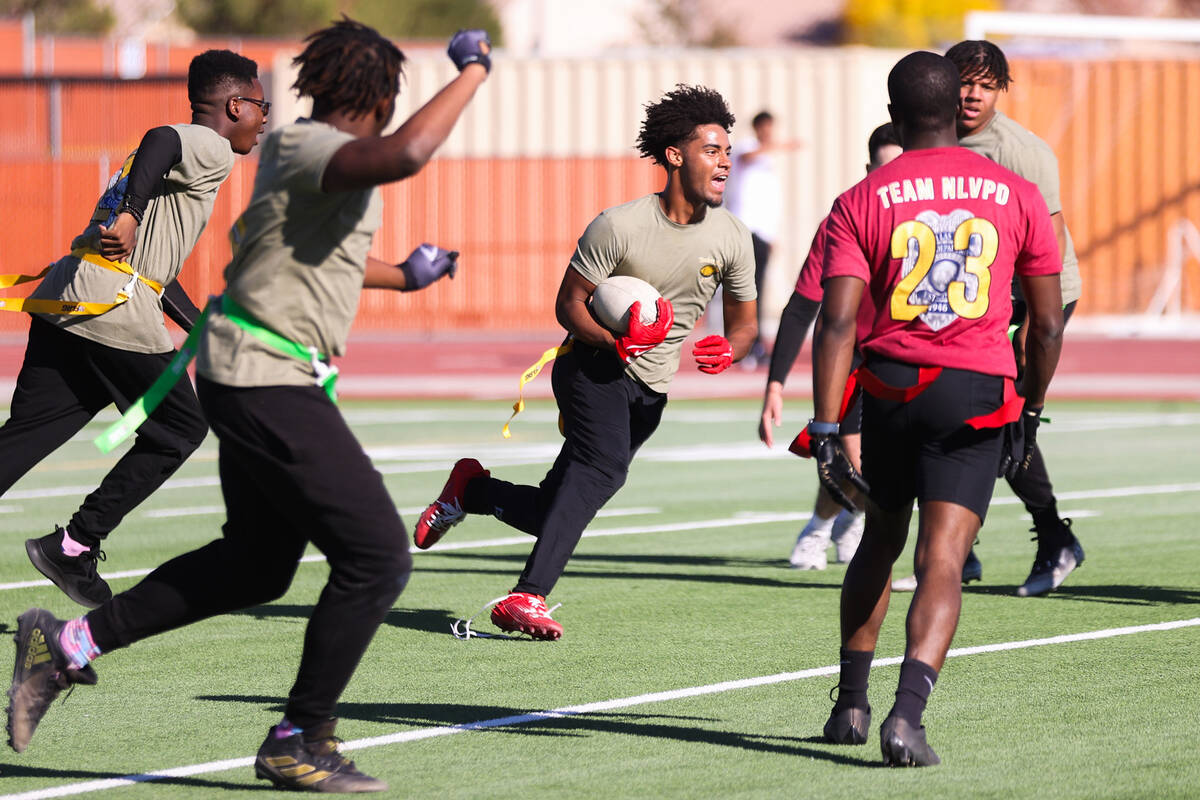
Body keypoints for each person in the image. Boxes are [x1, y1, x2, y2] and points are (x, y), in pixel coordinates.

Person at [7, 20, 490, 794]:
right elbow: (403, 153)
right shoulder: (306, 147)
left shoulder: (318, 168)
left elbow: (311, 254)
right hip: (263, 377)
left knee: (257, 567)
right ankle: (301, 735)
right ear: (377, 95)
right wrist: (471, 71)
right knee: (377, 558)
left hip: (248, 367)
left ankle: (65, 644)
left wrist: (407, 274)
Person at [413, 85, 758, 641]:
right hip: (591, 367)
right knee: (603, 471)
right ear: (675, 156)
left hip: (651, 391)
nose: (724, 162)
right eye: (711, 150)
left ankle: (471, 490)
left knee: (558, 504)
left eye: (727, 151)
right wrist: (611, 339)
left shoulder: (734, 238)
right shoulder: (618, 225)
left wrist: (732, 347)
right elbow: (568, 303)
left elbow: (744, 324)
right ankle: (526, 596)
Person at [812, 51, 1063, 766]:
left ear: (894, 115)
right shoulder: (1015, 191)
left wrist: (829, 427)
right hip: (975, 390)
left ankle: (851, 705)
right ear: (960, 107)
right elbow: (1045, 325)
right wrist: (1032, 408)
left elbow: (836, 323)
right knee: (943, 559)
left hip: (890, 387)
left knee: (880, 540)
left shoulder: (861, 197)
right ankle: (906, 717)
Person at [0, 50, 265, 609]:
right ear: (235, 105)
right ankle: (74, 544)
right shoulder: (208, 145)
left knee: (24, 436)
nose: (264, 120)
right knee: (179, 430)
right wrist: (130, 214)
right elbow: (161, 138)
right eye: (261, 106)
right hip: (111, 308)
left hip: (71, 298)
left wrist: (204, 326)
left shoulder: (172, 168)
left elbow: (153, 271)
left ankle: (72, 545)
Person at [894, 40, 1084, 596]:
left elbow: (1048, 243)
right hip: (968, 298)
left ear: (1001, 90)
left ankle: (1054, 538)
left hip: (1030, 297)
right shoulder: (930, 133)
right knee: (945, 412)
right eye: (964, 82)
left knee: (1002, 420)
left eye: (986, 84)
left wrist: (1030, 321)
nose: (973, 95)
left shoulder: (1021, 151)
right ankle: (961, 552)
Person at [759, 123, 901, 570]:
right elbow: (802, 306)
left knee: (902, 468)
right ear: (867, 168)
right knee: (858, 466)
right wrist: (776, 383)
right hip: (858, 358)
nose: (891, 181)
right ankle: (821, 526)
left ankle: (852, 521)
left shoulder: (936, 215)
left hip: (914, 355)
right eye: (882, 169)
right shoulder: (846, 218)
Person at [722, 110, 798, 365]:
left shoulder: (768, 161)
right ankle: (740, 343)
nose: (769, 134)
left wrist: (773, 234)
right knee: (743, 290)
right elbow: (745, 156)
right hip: (745, 230)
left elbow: (767, 202)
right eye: (766, 128)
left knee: (758, 291)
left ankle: (753, 345)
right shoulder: (747, 148)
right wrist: (779, 145)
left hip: (762, 234)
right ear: (758, 128)